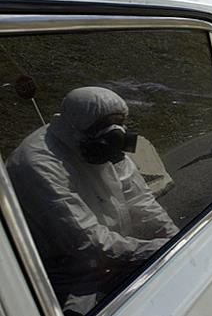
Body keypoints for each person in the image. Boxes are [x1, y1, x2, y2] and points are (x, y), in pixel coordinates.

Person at [6, 87, 179, 315]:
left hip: (110, 255)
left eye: (120, 122)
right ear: (76, 127)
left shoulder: (108, 144)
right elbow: (86, 242)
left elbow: (139, 199)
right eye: (103, 126)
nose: (115, 132)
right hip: (61, 271)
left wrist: (172, 237)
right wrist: (155, 249)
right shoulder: (38, 164)